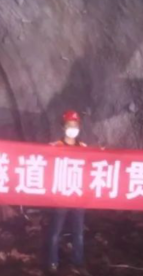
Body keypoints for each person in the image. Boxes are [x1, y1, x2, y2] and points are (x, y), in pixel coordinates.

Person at [47, 110, 87, 275]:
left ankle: (78, 262)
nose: (73, 128)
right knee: (55, 232)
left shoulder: (84, 148)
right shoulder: (56, 146)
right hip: (61, 197)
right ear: (63, 127)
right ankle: (52, 262)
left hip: (78, 196)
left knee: (79, 233)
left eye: (75, 125)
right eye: (70, 125)